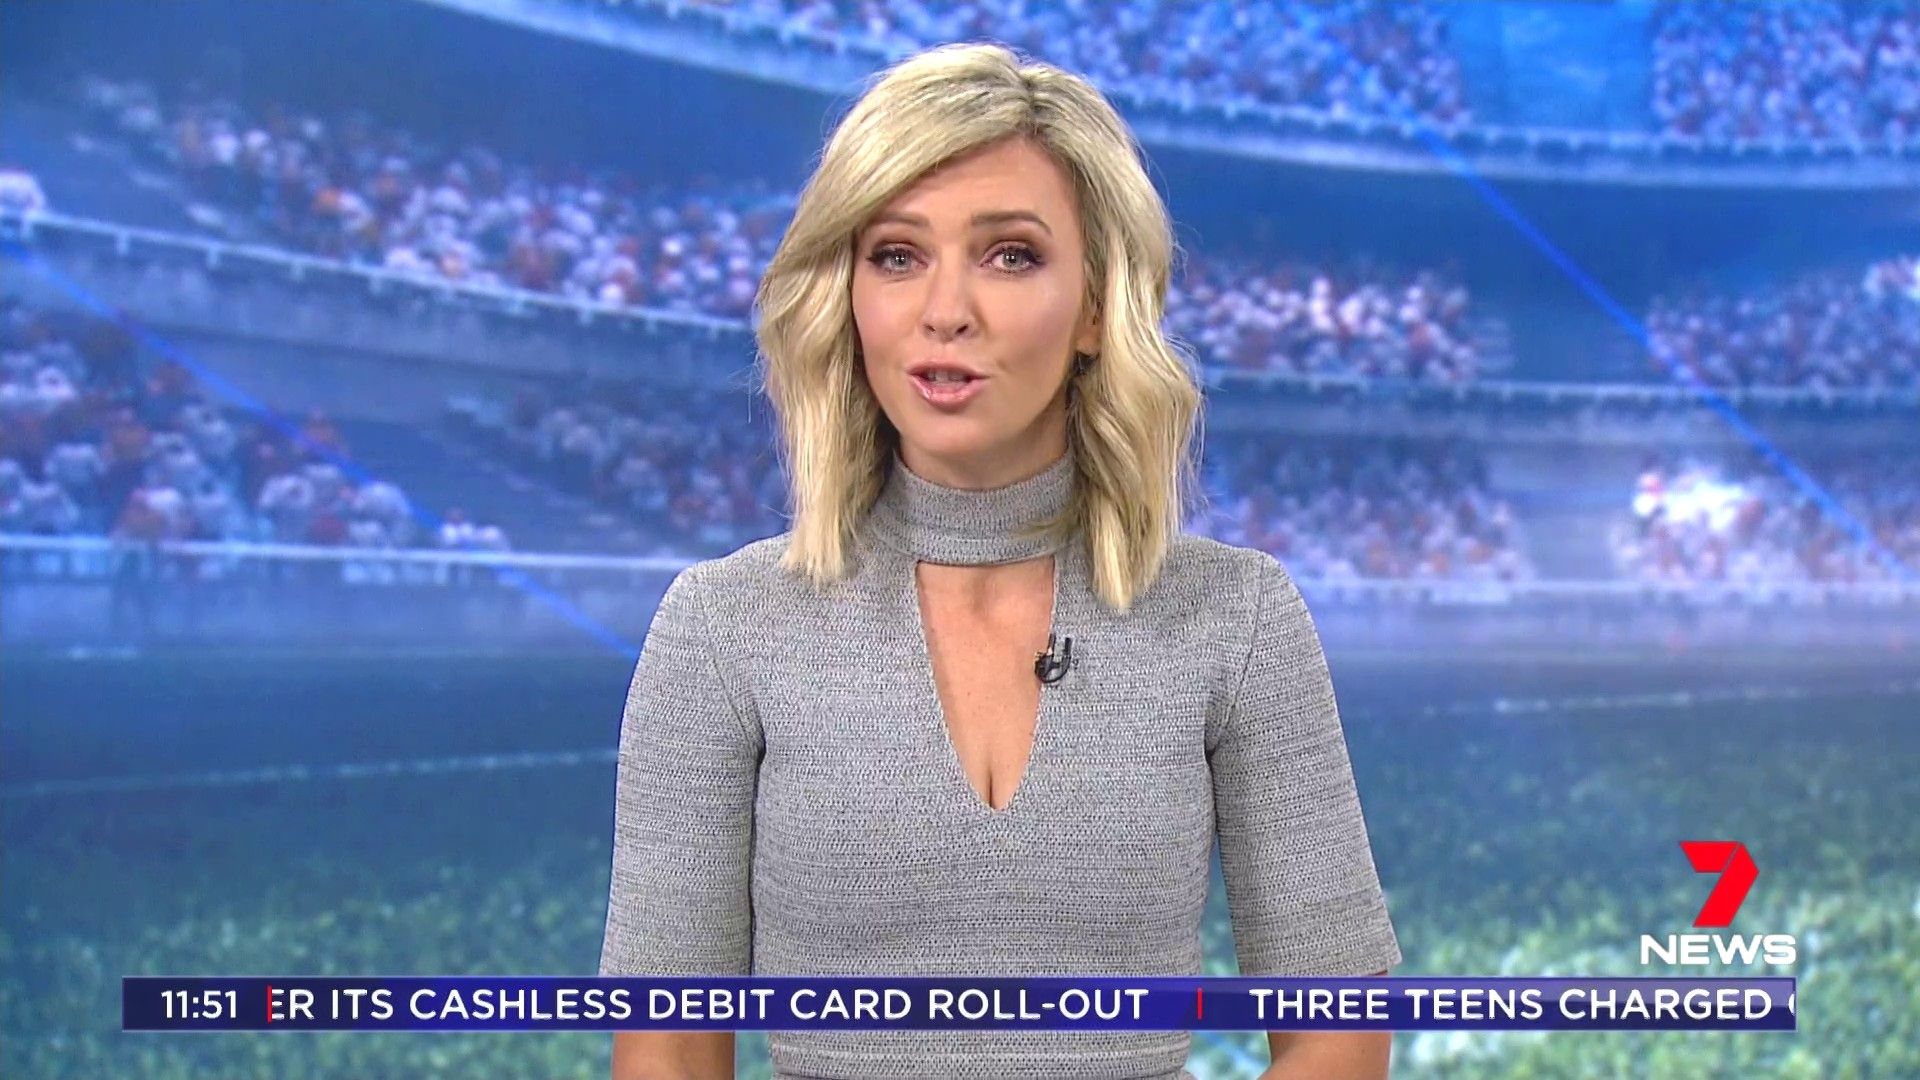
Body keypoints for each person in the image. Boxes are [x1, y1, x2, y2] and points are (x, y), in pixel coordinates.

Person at [601, 42, 1401, 1080]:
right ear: (846, 293)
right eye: (897, 255)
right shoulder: (722, 627)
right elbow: (664, 1049)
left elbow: (1340, 1030)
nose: (946, 310)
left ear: (1096, 305)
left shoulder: (1236, 618)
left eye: (1010, 255)